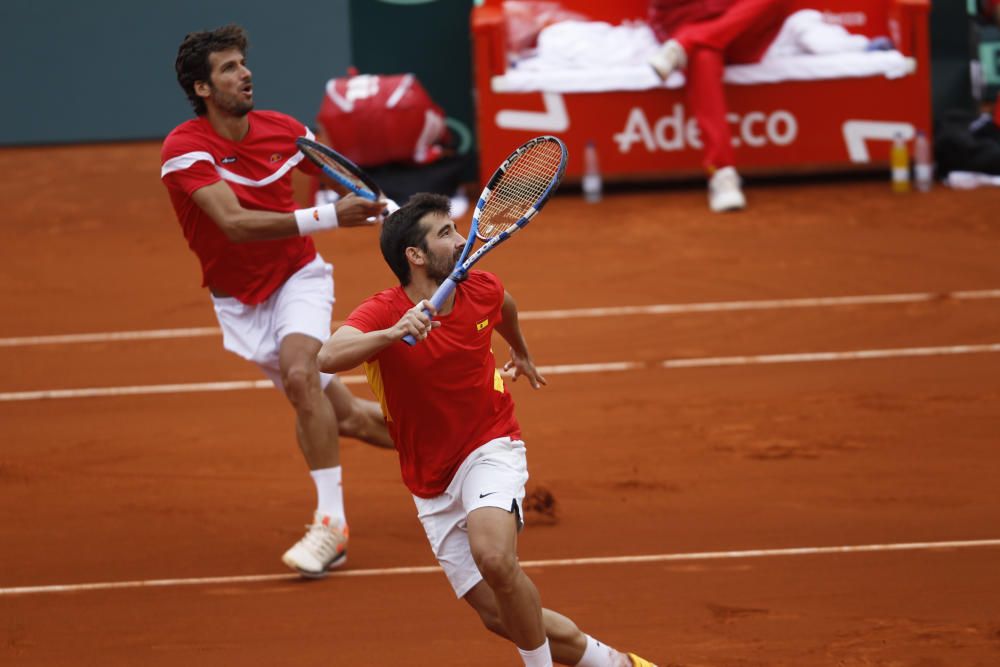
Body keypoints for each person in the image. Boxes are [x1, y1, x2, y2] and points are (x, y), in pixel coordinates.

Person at [316, 193, 657, 667]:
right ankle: (615, 663)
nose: (461, 241)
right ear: (414, 256)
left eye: (456, 230)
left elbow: (506, 308)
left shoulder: (482, 288)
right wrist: (393, 333)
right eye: (445, 234)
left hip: (491, 444)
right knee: (499, 615)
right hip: (431, 479)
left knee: (494, 558)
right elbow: (327, 356)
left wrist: (521, 351)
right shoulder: (384, 309)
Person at [160, 24, 394, 578]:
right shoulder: (185, 149)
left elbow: (346, 178)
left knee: (300, 374)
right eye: (228, 68)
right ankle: (463, 445)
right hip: (241, 305)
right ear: (201, 89)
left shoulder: (286, 131)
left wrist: (392, 211)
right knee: (353, 420)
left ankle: (330, 527)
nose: (245, 74)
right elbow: (235, 224)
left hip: (298, 279)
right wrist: (331, 214)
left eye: (243, 63)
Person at [647, 0, 790, 212]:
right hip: (688, 21)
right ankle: (722, 173)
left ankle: (687, 43)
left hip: (738, 24)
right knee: (703, 56)